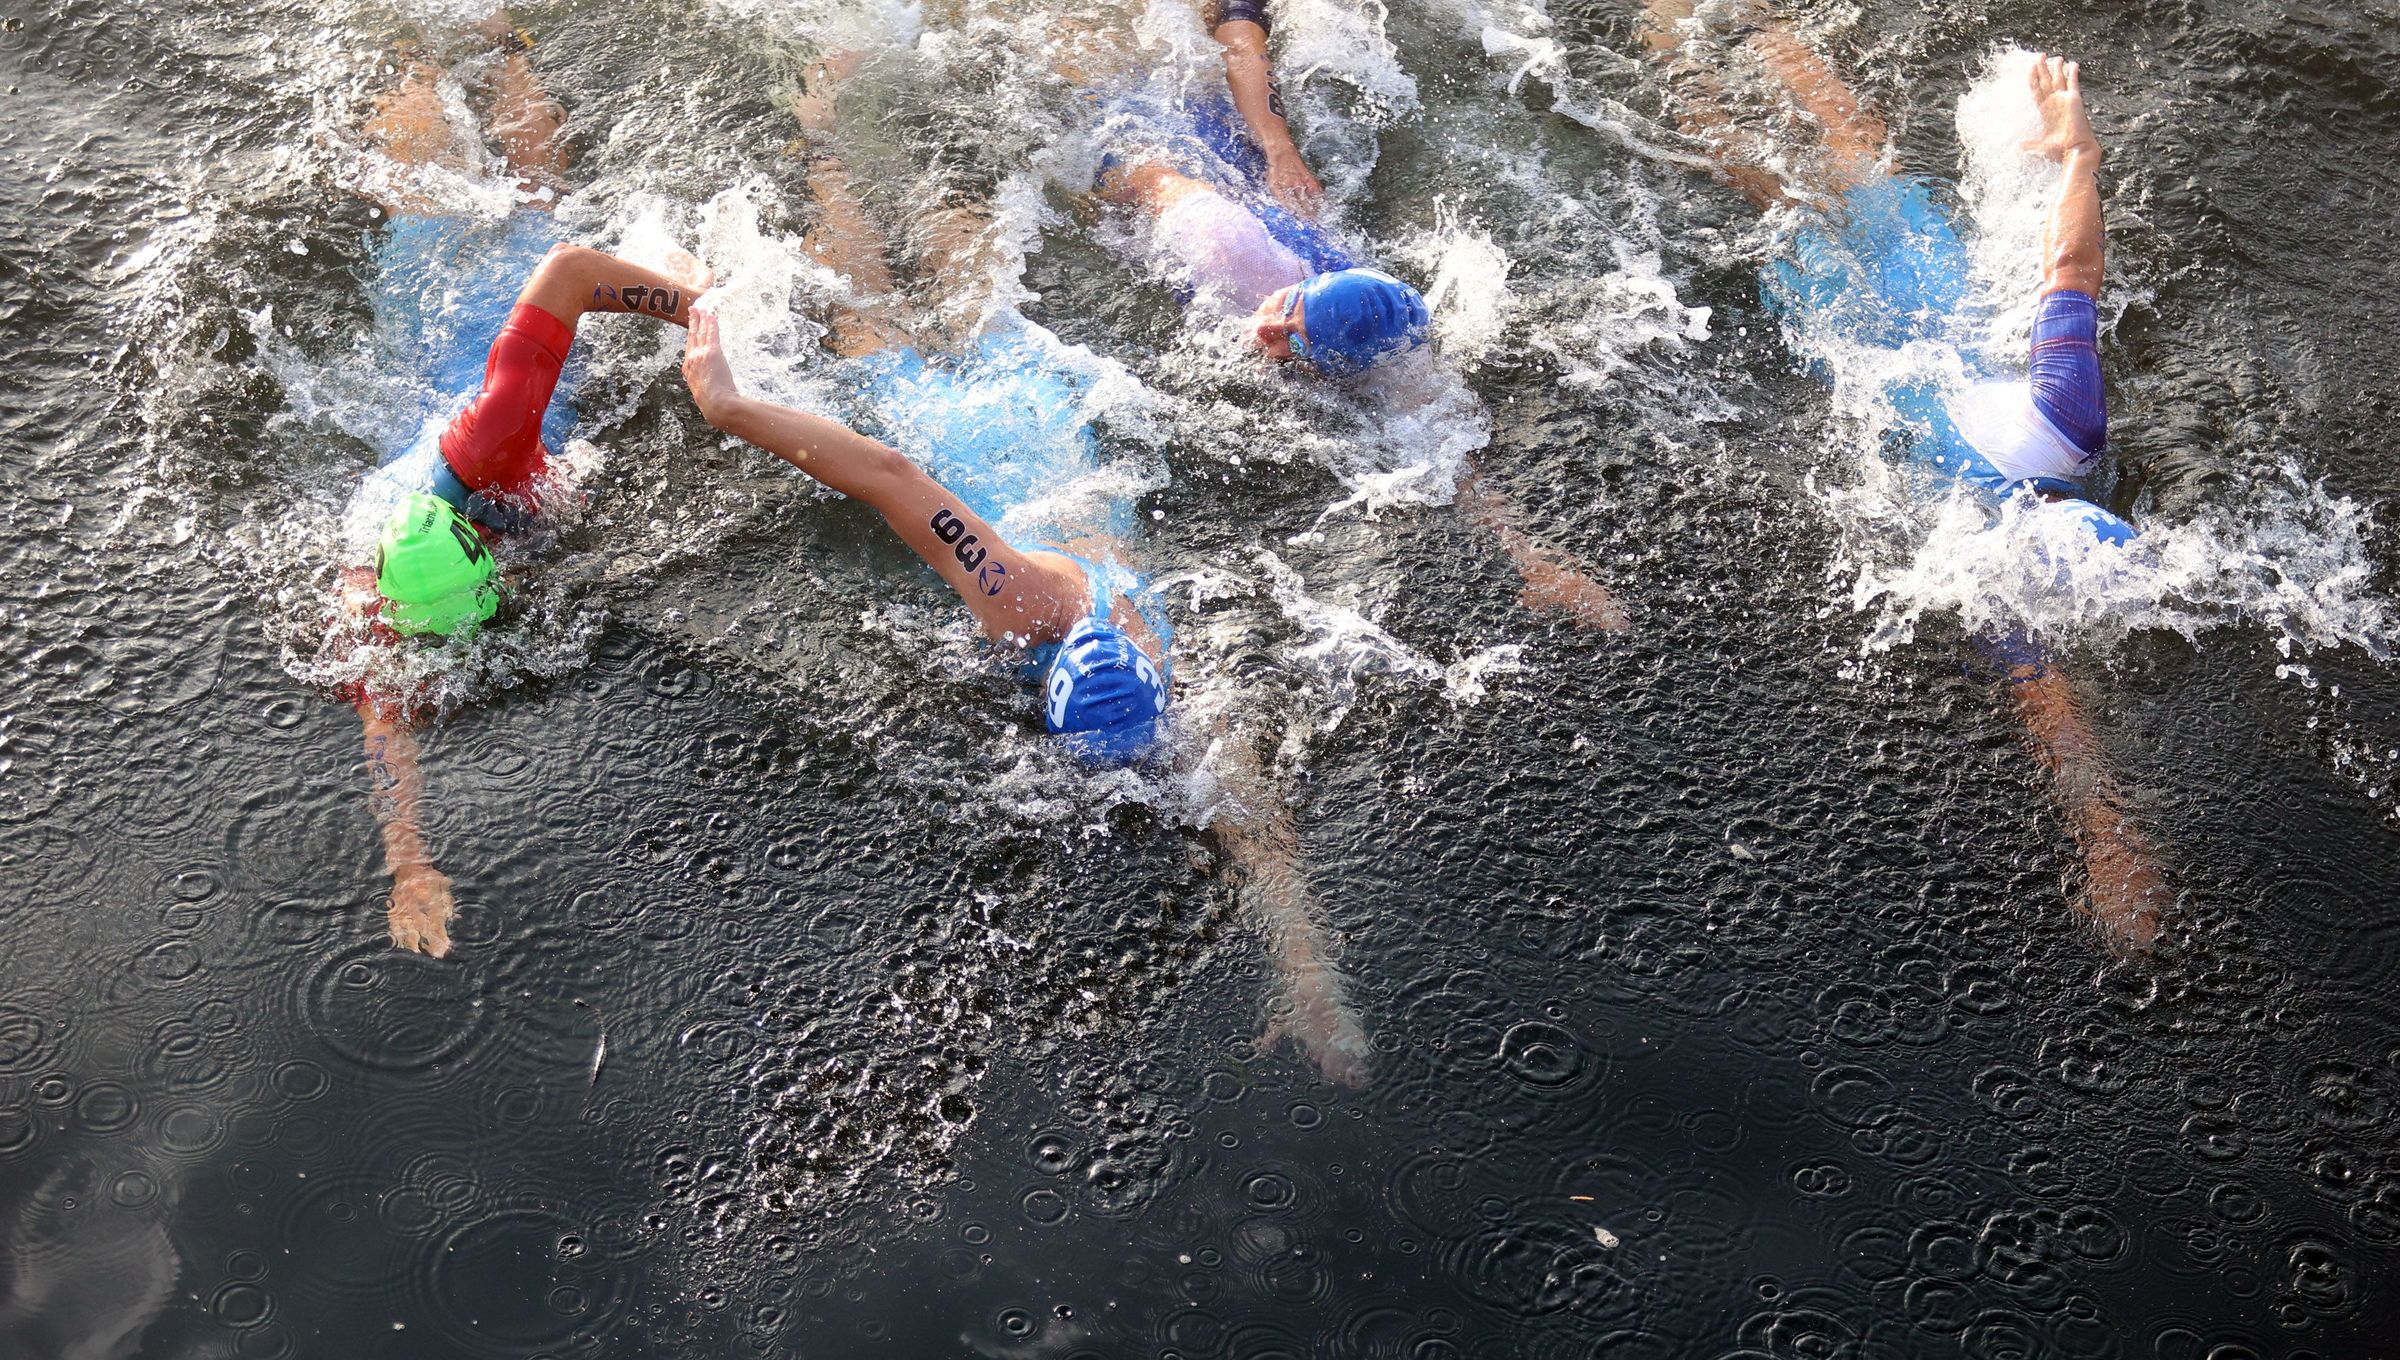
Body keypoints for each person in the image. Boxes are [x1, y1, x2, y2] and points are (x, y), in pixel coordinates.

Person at [695, 112, 1372, 1083]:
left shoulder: (1167, 666)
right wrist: (728, 406)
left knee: (947, 276)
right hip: (950, 425)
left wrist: (1315, 989)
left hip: (1043, 407)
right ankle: (828, 137)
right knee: (864, 303)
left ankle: (877, 135)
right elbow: (889, 473)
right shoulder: (1018, 597)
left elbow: (1267, 845)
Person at [1639, 3, 2164, 948]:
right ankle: (1672, 43)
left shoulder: (2071, 425)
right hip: (1859, 346)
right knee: (1767, 192)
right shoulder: (1986, 560)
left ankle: (1735, 25)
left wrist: (2078, 156)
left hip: (1932, 301)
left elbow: (2072, 267)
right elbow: (2054, 718)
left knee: (1853, 153)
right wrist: (2105, 839)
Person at [323, 14, 710, 957]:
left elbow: (572, 272)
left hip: (462, 339)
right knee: (497, 191)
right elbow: (384, 722)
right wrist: (409, 864)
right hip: (440, 404)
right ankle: (445, 49)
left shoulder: (493, 446)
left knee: (505, 201)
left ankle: (479, 44)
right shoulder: (372, 591)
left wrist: (703, 313)